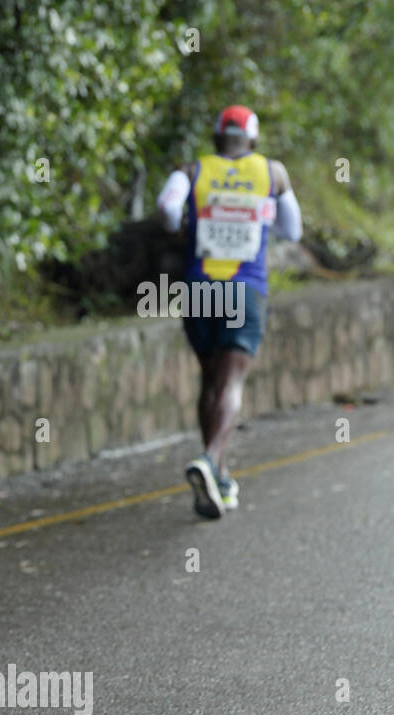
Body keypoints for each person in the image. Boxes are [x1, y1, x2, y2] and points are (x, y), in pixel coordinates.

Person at [157, 105, 302, 518]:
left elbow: (167, 210)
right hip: (245, 287)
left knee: (209, 378)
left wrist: (185, 226)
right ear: (252, 140)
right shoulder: (272, 173)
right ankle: (210, 457)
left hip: (200, 286)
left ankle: (218, 476)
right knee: (232, 381)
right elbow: (293, 230)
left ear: (217, 137)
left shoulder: (191, 171)